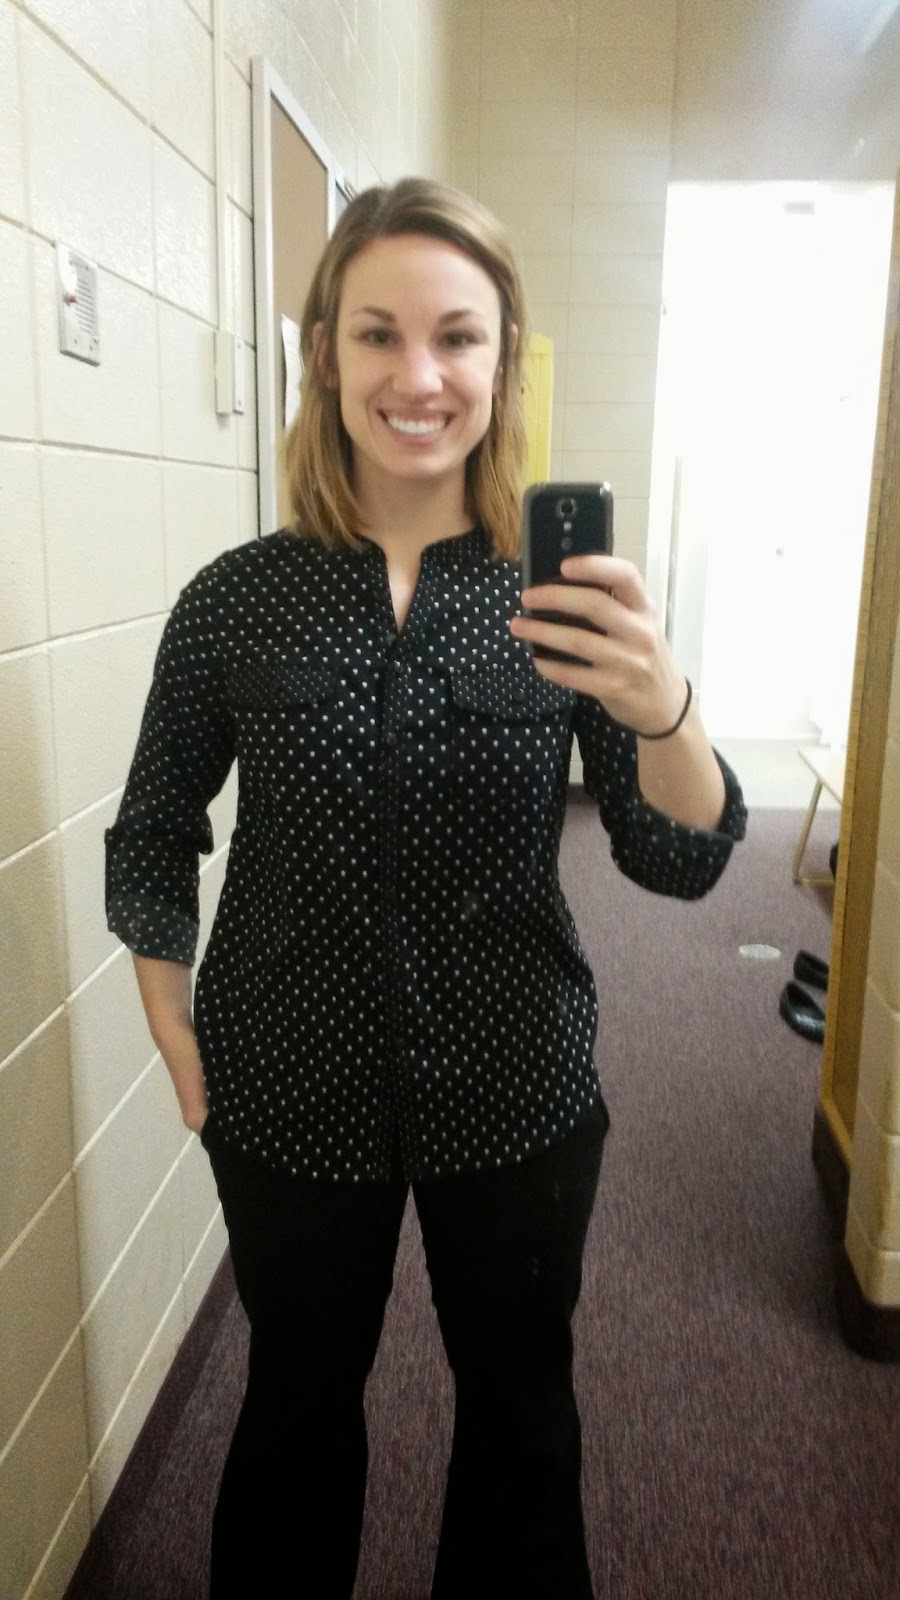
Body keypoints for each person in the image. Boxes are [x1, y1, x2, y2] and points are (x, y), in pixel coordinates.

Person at [105, 177, 746, 1599]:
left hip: (515, 1086)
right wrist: (172, 1029)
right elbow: (152, 829)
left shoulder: (559, 600)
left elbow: (681, 856)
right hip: (287, 1081)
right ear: (323, 353)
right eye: (378, 333)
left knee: (521, 1416)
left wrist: (662, 702)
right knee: (296, 1406)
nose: (418, 375)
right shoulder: (234, 599)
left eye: (457, 336)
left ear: (503, 360)